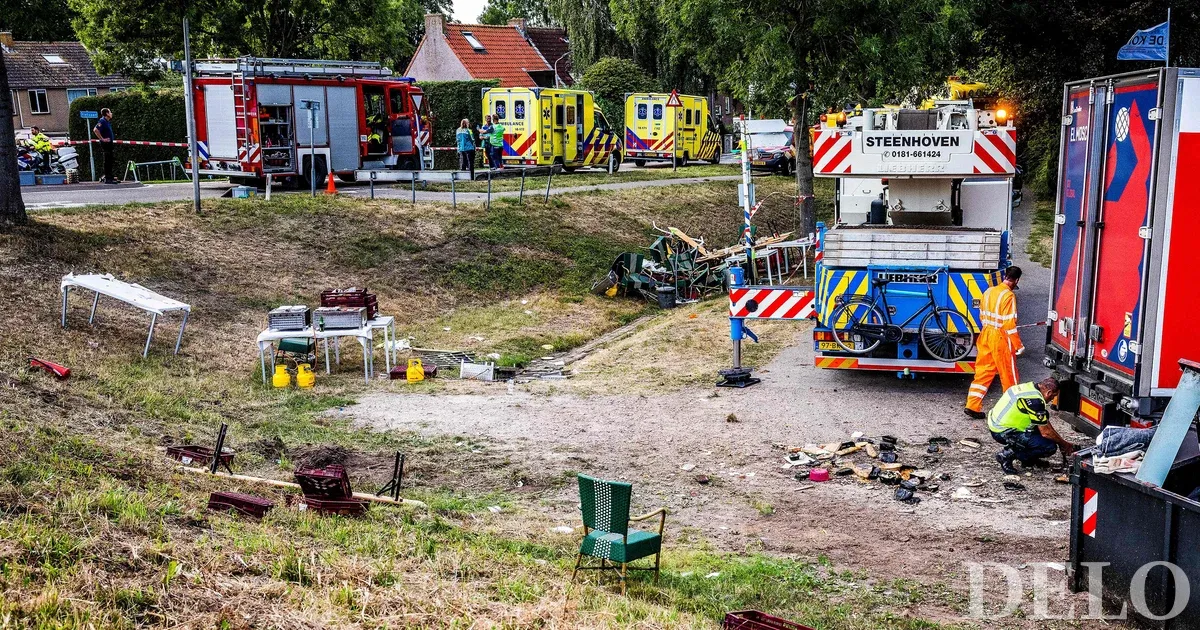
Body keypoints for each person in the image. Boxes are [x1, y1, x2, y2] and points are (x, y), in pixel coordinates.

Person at [965, 266, 1023, 419]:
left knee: (983, 372)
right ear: (1016, 280)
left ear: (1005, 276)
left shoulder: (989, 291)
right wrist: (1018, 345)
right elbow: (1009, 325)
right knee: (1008, 375)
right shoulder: (1009, 296)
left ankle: (972, 405)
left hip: (985, 334)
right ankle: (1013, 411)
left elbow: (982, 314)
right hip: (1000, 338)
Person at [988, 378, 1077, 473]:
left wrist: (1060, 440)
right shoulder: (1035, 402)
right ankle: (1006, 455)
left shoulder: (1028, 387)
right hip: (1002, 432)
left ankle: (1028, 460)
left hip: (996, 423)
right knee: (1048, 447)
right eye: (1053, 397)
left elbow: (1044, 422)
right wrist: (1064, 444)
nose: (1051, 400)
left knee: (1044, 415)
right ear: (1049, 392)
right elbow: (1046, 432)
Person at [93, 108, 118, 184]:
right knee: (107, 160)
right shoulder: (102, 121)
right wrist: (102, 139)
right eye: (110, 112)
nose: (111, 113)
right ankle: (108, 178)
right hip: (106, 144)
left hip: (109, 143)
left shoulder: (107, 121)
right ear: (107, 113)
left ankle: (110, 176)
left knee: (110, 160)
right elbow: (95, 130)